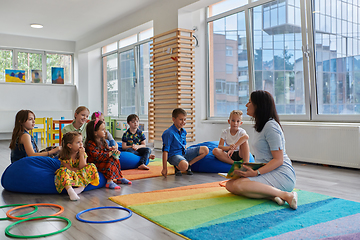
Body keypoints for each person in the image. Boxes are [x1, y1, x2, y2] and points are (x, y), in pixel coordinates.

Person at [225, 90, 298, 210]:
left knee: (239, 185)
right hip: (267, 170)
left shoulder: (271, 126)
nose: (246, 105)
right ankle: (272, 195)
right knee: (230, 185)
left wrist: (256, 173)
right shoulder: (261, 126)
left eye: (249, 102)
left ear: (259, 105)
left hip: (282, 174)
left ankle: (286, 195)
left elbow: (278, 160)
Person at [161, 108, 209, 177]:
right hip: (173, 156)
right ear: (174, 119)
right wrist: (164, 169)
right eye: (181, 119)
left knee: (205, 150)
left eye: (185, 119)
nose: (183, 122)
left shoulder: (184, 131)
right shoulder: (168, 133)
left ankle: (189, 164)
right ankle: (178, 167)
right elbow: (165, 151)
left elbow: (184, 145)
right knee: (184, 166)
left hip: (184, 153)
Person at [85, 118, 131, 189]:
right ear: (95, 132)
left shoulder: (103, 141)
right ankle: (109, 181)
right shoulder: (90, 144)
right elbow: (97, 156)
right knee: (110, 160)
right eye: (102, 130)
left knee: (115, 158)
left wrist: (112, 150)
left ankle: (119, 177)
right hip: (95, 164)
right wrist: (110, 153)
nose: (105, 131)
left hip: (102, 160)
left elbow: (105, 151)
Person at [54, 132, 99, 201]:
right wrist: (77, 169)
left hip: (80, 173)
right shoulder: (64, 156)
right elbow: (69, 169)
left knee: (92, 166)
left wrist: (81, 155)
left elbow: (83, 167)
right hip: (71, 175)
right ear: (69, 145)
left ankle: (81, 188)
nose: (81, 144)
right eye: (78, 142)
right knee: (62, 171)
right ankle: (70, 190)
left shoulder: (82, 153)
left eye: (81, 141)